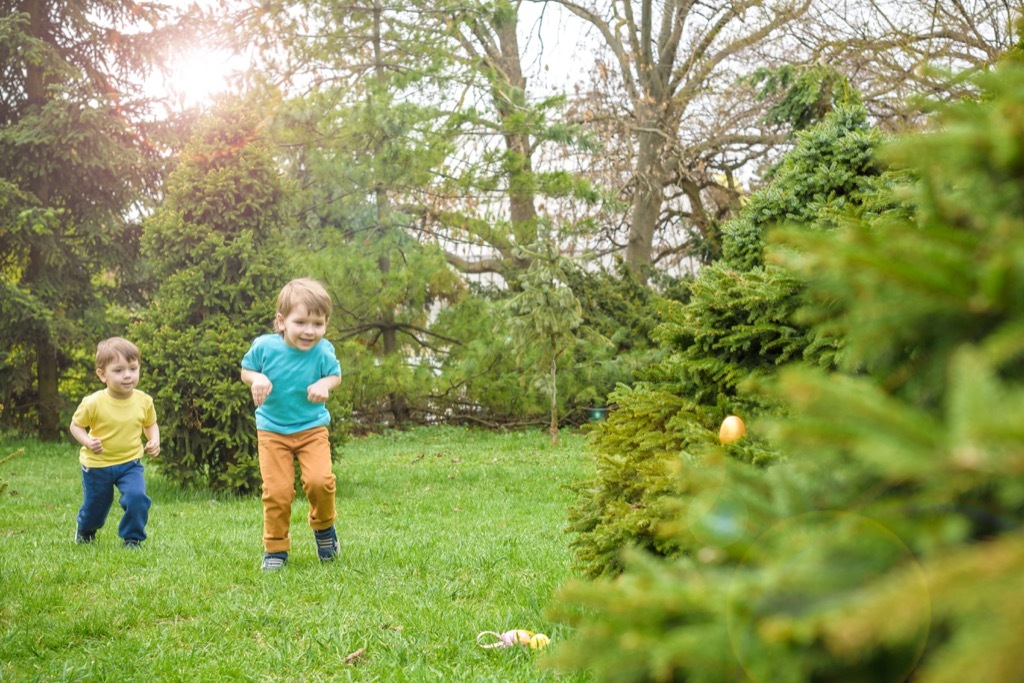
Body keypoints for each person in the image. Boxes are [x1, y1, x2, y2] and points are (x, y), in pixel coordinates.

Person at [241, 278, 342, 571]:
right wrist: (257, 378)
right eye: (301, 322)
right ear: (281, 321)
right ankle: (275, 549)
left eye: (318, 323)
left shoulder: (323, 351)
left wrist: (325, 383)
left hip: (312, 429)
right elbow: (247, 370)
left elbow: (334, 375)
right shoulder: (264, 347)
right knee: (278, 491)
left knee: (320, 482)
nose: (310, 331)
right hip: (272, 431)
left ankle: (324, 530)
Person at [70, 337, 160, 547]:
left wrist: (154, 440)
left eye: (133, 368)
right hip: (97, 465)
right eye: (118, 370)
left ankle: (132, 539)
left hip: (130, 463)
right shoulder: (93, 402)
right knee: (96, 508)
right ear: (102, 375)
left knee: (137, 498)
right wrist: (88, 441)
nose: (127, 375)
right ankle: (85, 528)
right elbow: (75, 426)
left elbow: (150, 424)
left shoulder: (144, 401)